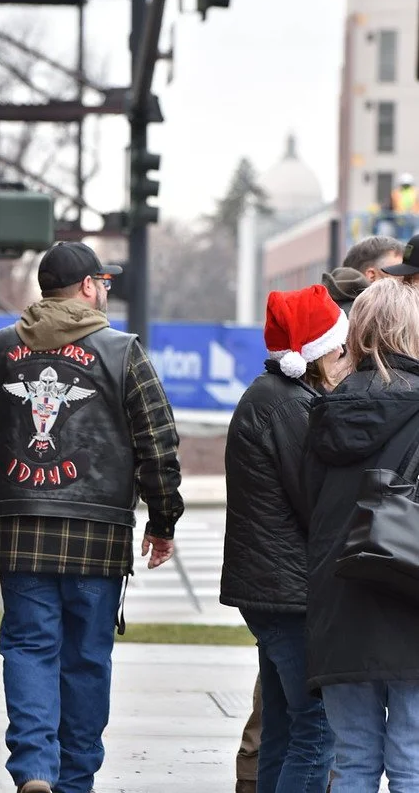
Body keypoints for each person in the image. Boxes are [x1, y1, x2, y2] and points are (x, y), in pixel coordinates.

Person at [0, 241, 184, 793]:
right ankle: (75, 780)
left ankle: (34, 768)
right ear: (86, 288)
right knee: (87, 658)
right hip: (98, 536)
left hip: (21, 527)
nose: (106, 289)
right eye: (103, 281)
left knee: (28, 646)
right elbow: (159, 443)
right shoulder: (123, 351)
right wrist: (162, 521)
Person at [221, 284, 346, 793]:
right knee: (317, 729)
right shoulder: (291, 407)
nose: (347, 358)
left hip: (273, 588)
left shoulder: (277, 396)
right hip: (288, 593)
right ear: (314, 354)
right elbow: (315, 500)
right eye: (340, 349)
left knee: (282, 725)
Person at [305, 277, 419, 791]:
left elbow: (309, 504)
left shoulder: (326, 409)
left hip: (341, 598)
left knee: (351, 760)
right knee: (413, 761)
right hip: (410, 597)